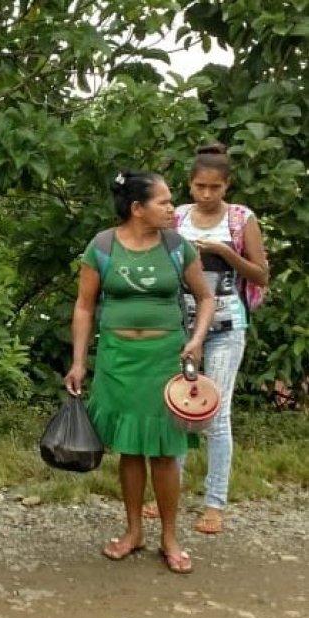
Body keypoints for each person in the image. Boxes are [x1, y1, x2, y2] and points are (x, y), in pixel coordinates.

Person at [64, 170, 216, 575]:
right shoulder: (101, 247)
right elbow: (84, 306)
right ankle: (133, 531)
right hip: (118, 359)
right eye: (164, 202)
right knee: (130, 451)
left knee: (166, 452)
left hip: (165, 359)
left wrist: (197, 339)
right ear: (137, 208)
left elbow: (205, 298)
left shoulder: (177, 247)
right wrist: (80, 361)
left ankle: (170, 537)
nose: (172, 208)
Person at [169, 143, 268, 534]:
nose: (206, 194)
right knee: (175, 407)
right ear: (190, 185)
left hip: (227, 326)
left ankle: (214, 502)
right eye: (199, 186)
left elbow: (260, 274)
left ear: (227, 186)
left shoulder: (242, 218)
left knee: (218, 413)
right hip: (183, 323)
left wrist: (225, 253)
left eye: (215, 187)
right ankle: (168, 493)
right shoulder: (176, 217)